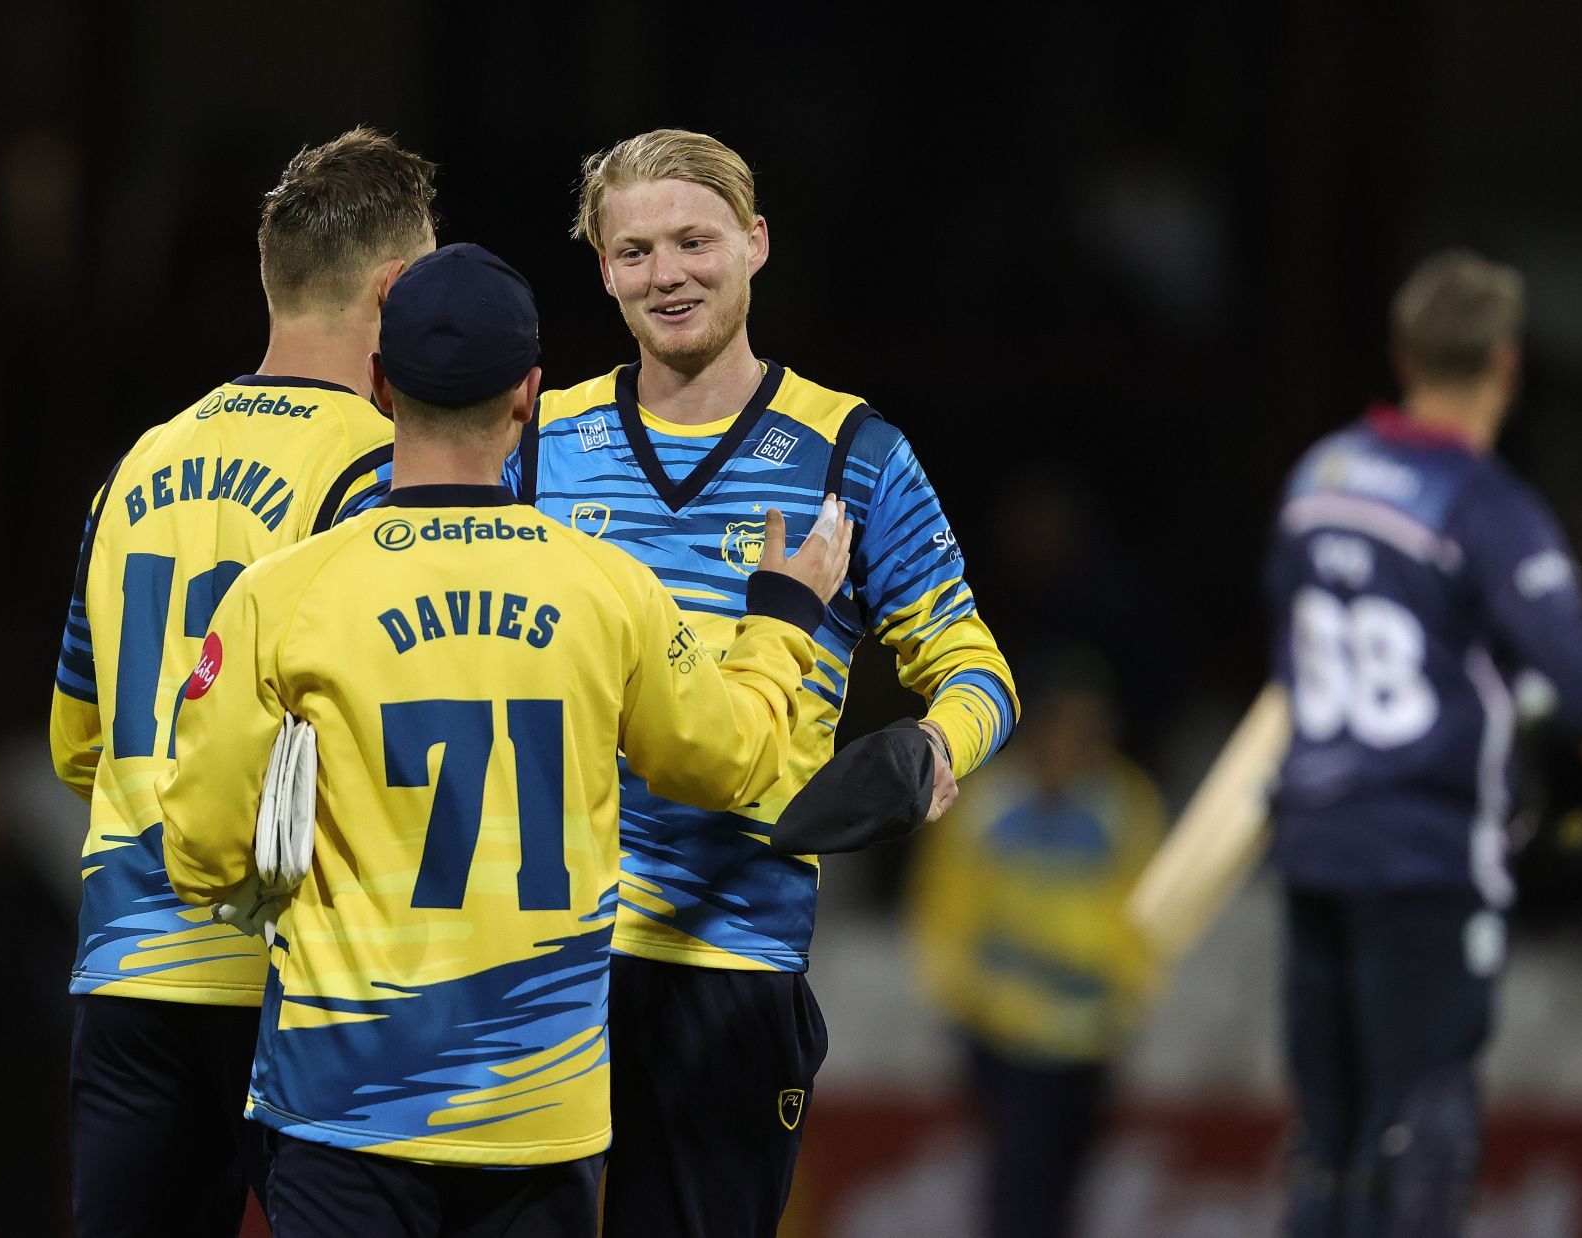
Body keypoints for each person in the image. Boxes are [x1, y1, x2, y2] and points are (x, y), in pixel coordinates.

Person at [155, 242, 852, 1237]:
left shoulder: (284, 591)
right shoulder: (609, 589)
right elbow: (730, 762)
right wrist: (781, 623)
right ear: (530, 392)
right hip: (539, 1111)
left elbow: (202, 849)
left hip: (343, 1098)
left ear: (382, 384)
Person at [508, 128, 1019, 1236]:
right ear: (602, 267)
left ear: (756, 243)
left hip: (734, 959)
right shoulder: (538, 443)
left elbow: (975, 667)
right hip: (541, 949)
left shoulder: (852, 451)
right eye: (635, 251)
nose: (667, 274)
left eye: (695, 241)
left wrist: (937, 747)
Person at [47, 127, 436, 1236]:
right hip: (298, 983)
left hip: (128, 973)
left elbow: (79, 740)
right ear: (398, 289)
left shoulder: (136, 465)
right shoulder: (379, 470)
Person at [1265, 249, 1582, 1236]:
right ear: (1506, 362)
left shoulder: (1318, 476)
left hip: (1315, 838)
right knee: (1421, 1129)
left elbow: (1286, 668)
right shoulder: (1485, 504)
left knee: (1327, 1141)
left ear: (1401, 352)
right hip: (1423, 851)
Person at [904, 656, 1163, 1238]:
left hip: (1090, 1035)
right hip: (1005, 1035)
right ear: (1038, 729)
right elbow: (944, 906)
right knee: (1016, 1190)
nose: (1075, 745)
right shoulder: (986, 800)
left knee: (1069, 1191)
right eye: (1065, 727)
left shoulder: (1126, 805)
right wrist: (962, 997)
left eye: (1091, 731)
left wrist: (1128, 999)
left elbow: (1147, 917)